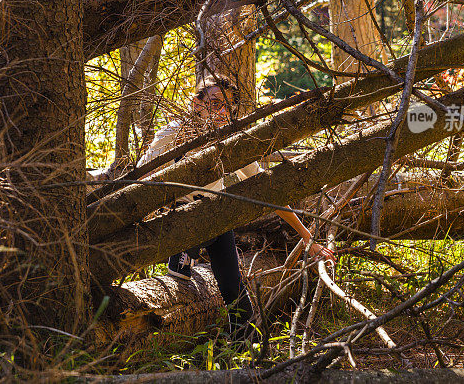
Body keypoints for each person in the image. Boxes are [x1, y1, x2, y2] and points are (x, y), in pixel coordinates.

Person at [135, 73, 335, 334]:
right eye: (215, 102)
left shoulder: (229, 144)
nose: (221, 111)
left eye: (227, 106)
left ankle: (244, 356)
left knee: (237, 297)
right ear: (196, 104)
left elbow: (268, 192)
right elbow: (140, 178)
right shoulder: (172, 133)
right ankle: (182, 262)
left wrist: (309, 240)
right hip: (179, 219)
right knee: (181, 277)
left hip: (215, 220)